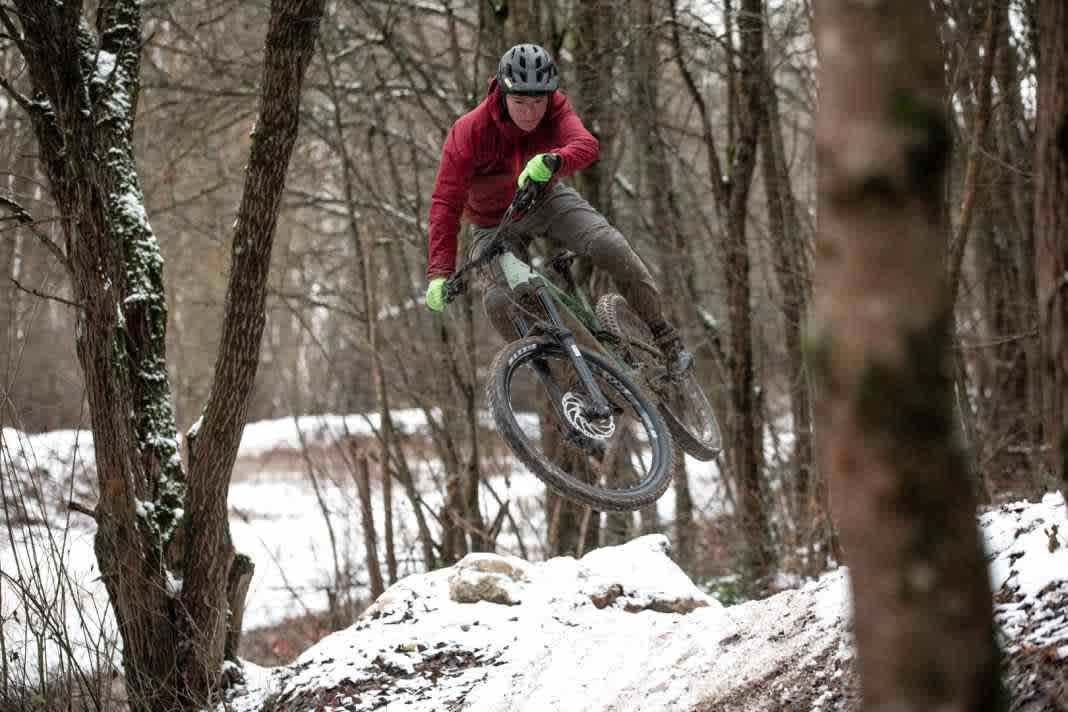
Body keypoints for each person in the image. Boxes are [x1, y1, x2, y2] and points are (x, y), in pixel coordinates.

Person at [423, 42, 692, 374]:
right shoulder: (469, 132)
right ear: (502, 95)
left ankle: (662, 333)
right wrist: (439, 273)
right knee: (498, 301)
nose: (529, 112)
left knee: (609, 245)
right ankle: (565, 384)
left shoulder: (555, 109)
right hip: (492, 224)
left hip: (546, 199)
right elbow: (445, 203)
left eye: (538, 102)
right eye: (520, 102)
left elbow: (586, 145)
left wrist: (555, 160)